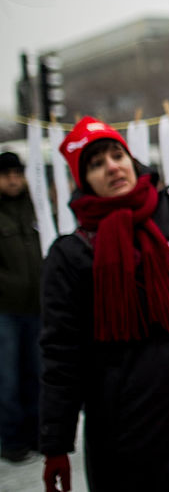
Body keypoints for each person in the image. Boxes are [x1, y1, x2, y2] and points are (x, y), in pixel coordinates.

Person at [39, 118, 169, 492]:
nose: (113, 166)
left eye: (118, 155)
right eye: (97, 163)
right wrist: (56, 443)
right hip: (129, 419)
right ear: (83, 180)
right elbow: (61, 356)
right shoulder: (70, 255)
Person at [0, 151, 42, 463]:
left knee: (37, 371)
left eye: (17, 173)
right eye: (6, 175)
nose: (13, 180)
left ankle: (38, 432)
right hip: (5, 309)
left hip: (37, 307)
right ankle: (13, 439)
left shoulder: (35, 206)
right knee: (8, 377)